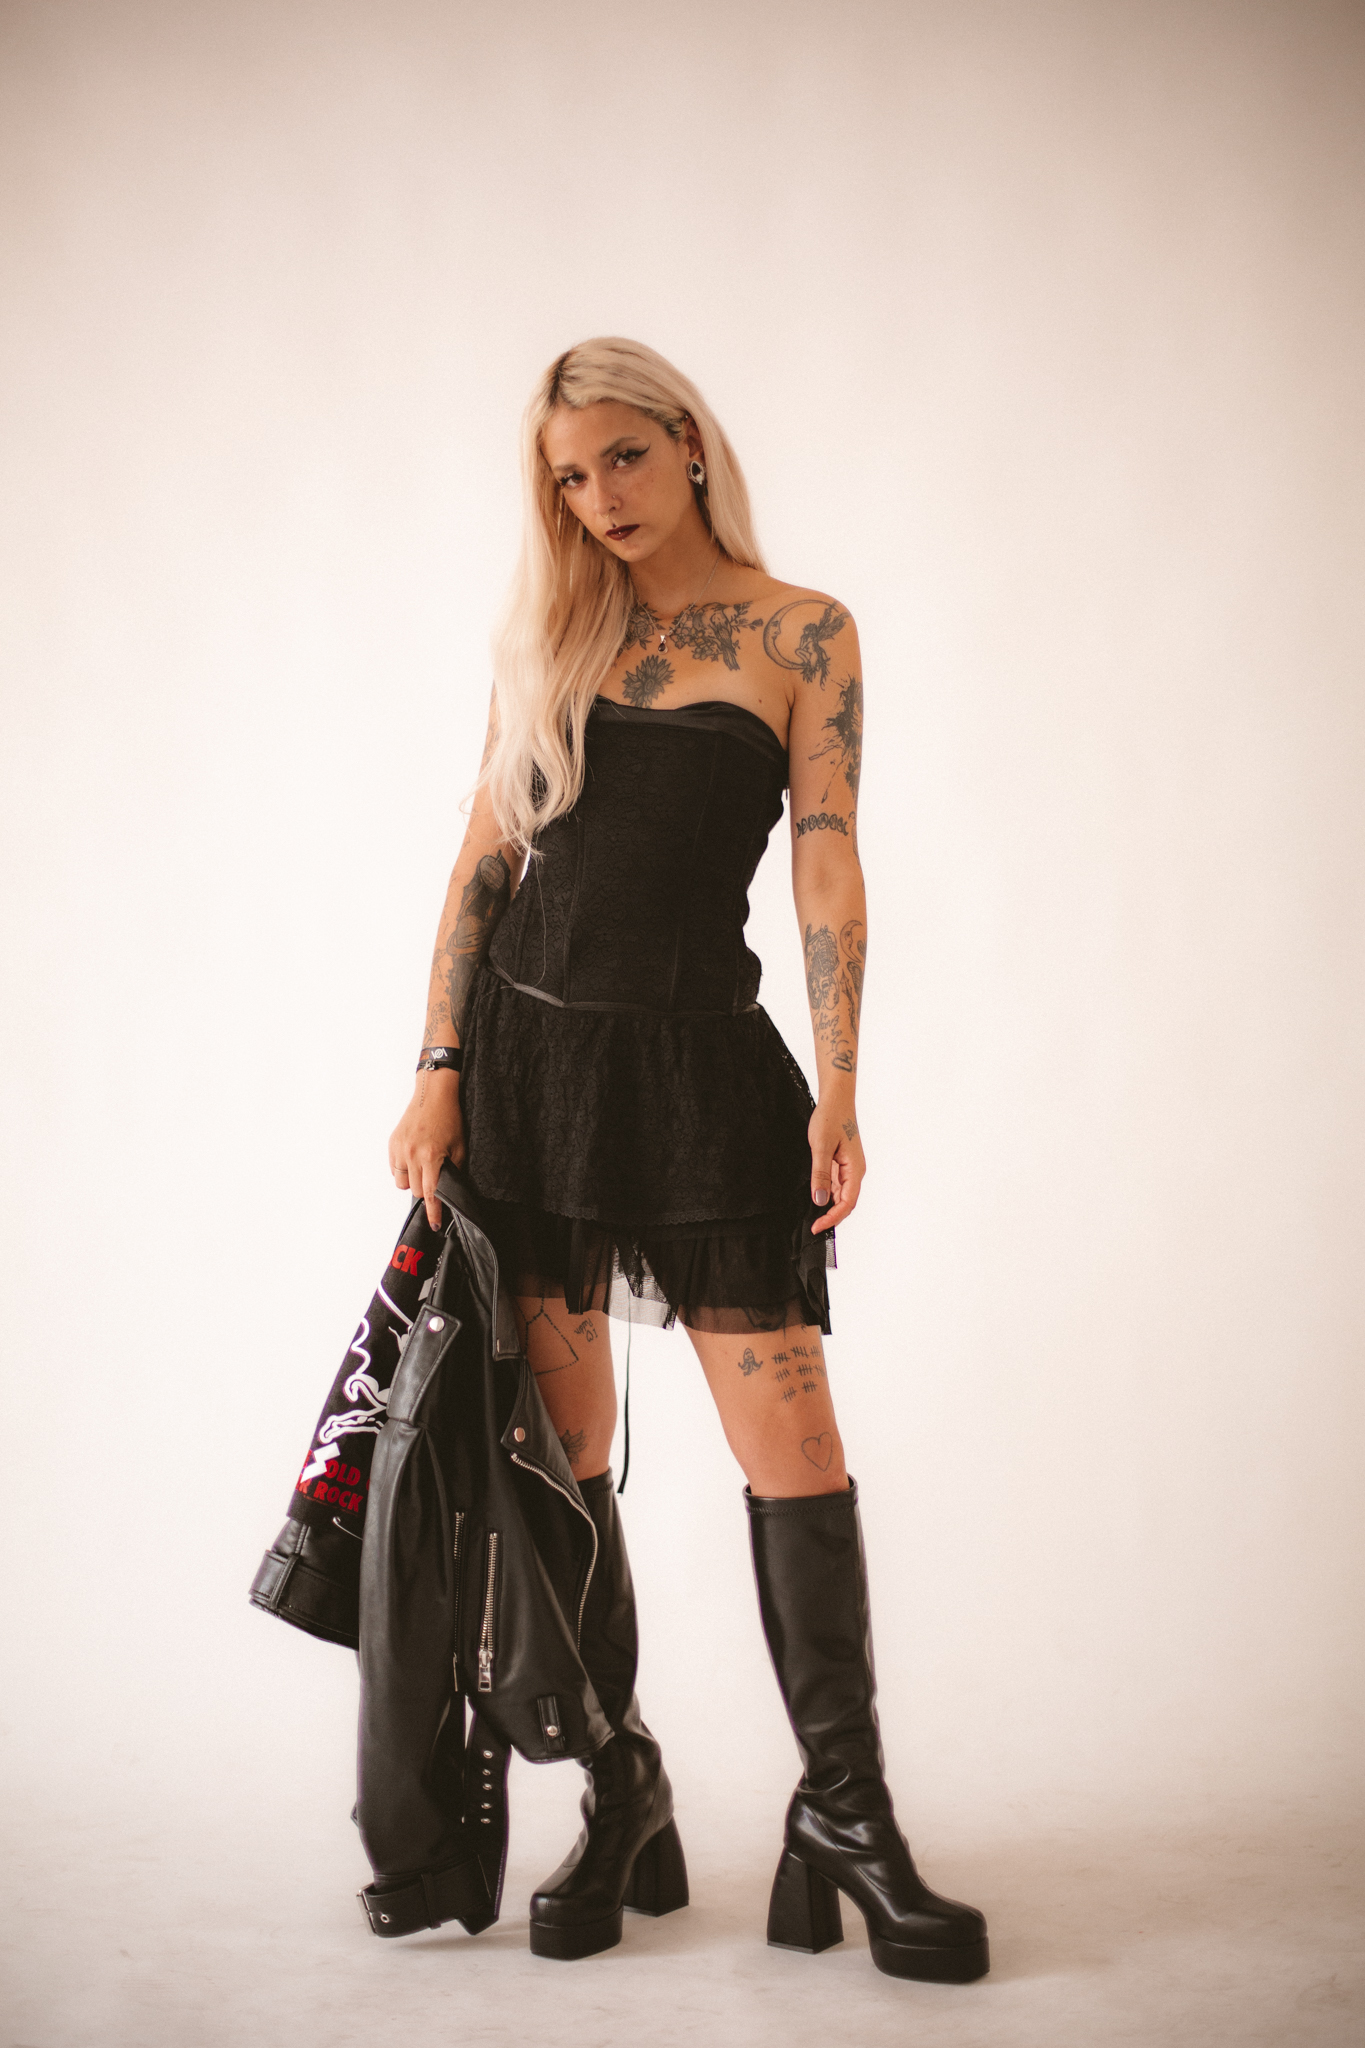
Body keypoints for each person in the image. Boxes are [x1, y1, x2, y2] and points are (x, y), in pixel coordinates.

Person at [387, 337, 988, 1982]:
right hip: (530, 1082)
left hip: (706, 1078)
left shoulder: (802, 633)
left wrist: (840, 1087)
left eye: (623, 459)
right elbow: (484, 860)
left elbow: (826, 861)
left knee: (795, 1449)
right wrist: (436, 1071)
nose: (600, 498)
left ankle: (844, 1812)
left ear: (689, 445)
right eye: (568, 478)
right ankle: (618, 1783)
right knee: (566, 1455)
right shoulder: (553, 637)